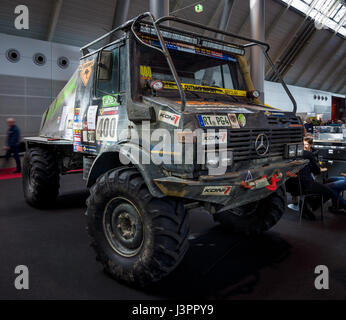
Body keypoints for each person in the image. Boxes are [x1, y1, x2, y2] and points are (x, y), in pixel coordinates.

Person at [286, 137, 334, 220]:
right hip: (305, 185)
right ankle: (308, 204)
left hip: (290, 186)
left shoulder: (288, 153)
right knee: (329, 192)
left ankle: (306, 205)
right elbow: (317, 171)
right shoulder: (309, 154)